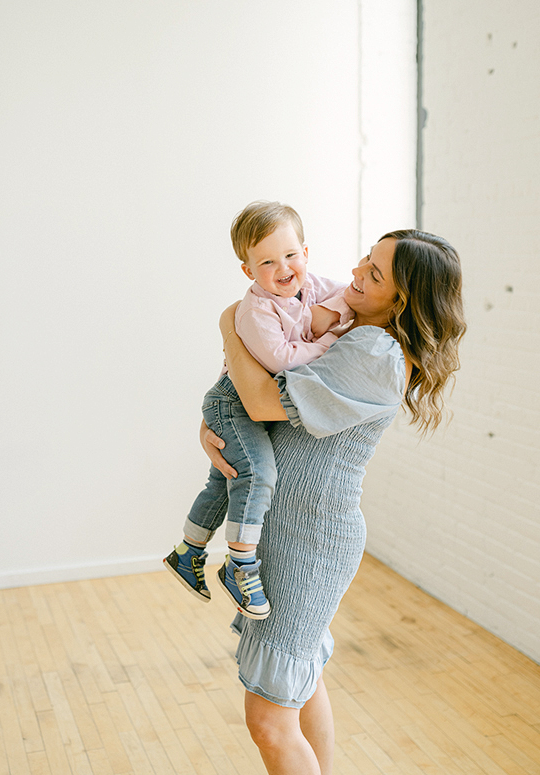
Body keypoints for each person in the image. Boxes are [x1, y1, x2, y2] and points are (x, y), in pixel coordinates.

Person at [196, 230, 464, 774]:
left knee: (269, 720)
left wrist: (230, 324)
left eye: (377, 272)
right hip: (291, 527)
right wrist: (212, 427)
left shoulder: (378, 351)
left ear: (402, 298)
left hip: (311, 539)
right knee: (302, 681)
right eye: (367, 256)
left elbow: (263, 399)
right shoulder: (352, 326)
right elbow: (257, 395)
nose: (359, 270)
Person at [163, 202, 353, 619]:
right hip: (233, 401)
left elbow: (349, 301)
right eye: (267, 262)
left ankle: (187, 551)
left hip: (245, 403)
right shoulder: (256, 309)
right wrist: (328, 341)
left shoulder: (317, 287)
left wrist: (332, 313)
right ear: (249, 271)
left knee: (225, 478)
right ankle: (240, 564)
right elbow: (282, 360)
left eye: (290, 255)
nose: (283, 268)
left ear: (306, 252)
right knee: (258, 474)